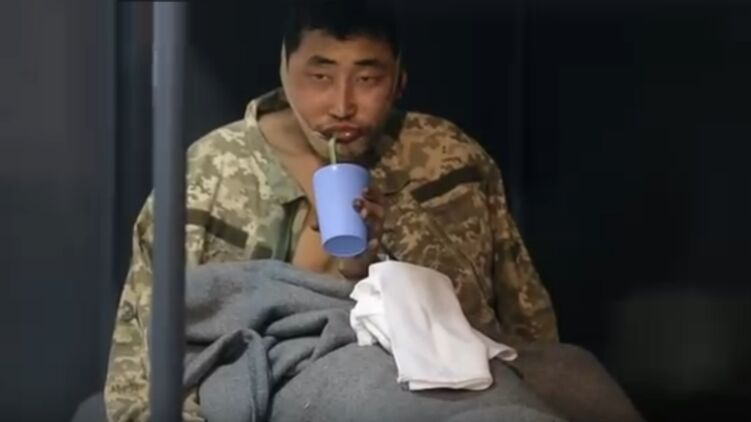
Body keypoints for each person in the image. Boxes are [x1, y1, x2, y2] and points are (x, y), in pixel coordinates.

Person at [105, 1, 642, 421]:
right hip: (314, 382)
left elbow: (524, 318)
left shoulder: (448, 160)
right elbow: (144, 356)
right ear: (284, 70)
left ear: (400, 79)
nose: (342, 105)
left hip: (466, 373)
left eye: (367, 78)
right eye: (319, 76)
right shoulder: (209, 175)